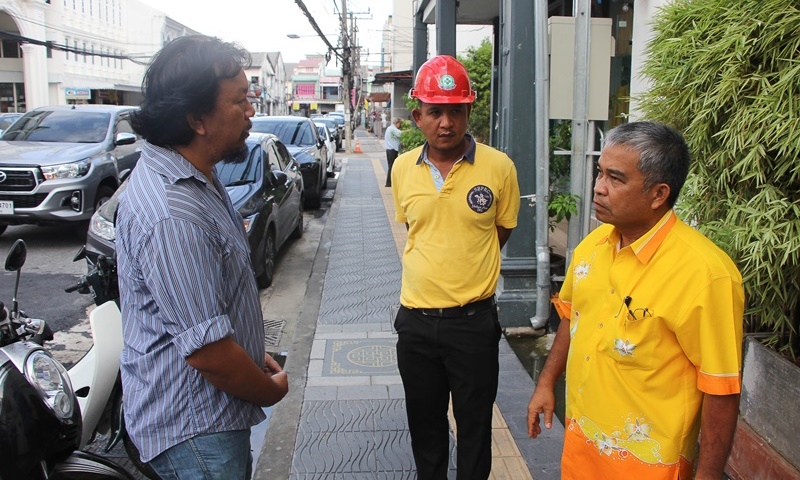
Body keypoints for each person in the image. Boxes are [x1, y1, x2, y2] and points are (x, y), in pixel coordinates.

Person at [527, 121, 743, 480]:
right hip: (582, 447)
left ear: (658, 194)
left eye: (616, 178)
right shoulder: (591, 249)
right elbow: (572, 317)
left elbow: (720, 388)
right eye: (599, 174)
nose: (598, 188)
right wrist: (546, 383)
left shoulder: (706, 275)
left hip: (650, 465)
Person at [116, 35, 289, 480]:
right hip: (196, 434)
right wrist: (266, 394)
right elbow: (209, 353)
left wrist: (251, 355)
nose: (251, 110)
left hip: (206, 422)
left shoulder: (196, 174)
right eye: (239, 101)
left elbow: (209, 306)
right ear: (196, 118)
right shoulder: (173, 212)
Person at [390, 55, 521, 480]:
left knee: (475, 429)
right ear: (417, 116)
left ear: (469, 111)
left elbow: (500, 232)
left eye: (456, 111)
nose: (446, 122)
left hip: (473, 324)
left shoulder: (499, 167)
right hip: (415, 323)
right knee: (425, 427)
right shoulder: (402, 168)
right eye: (435, 112)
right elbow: (417, 230)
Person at [384, 117, 402, 187]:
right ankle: (389, 183)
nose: (399, 126)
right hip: (392, 150)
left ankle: (390, 182)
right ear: (396, 123)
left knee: (391, 166)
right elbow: (401, 134)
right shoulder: (393, 129)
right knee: (392, 166)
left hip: (389, 150)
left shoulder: (389, 128)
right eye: (399, 124)